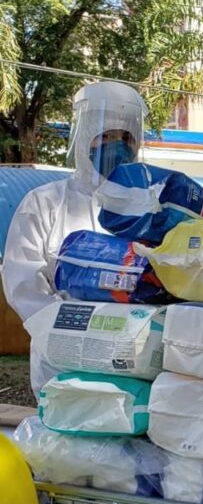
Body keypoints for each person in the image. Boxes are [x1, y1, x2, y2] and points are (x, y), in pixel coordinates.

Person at [2, 80, 146, 391]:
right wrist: (76, 333)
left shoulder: (150, 211)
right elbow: (23, 284)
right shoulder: (45, 204)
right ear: (83, 139)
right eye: (105, 136)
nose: (118, 146)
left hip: (134, 363)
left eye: (126, 138)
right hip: (62, 366)